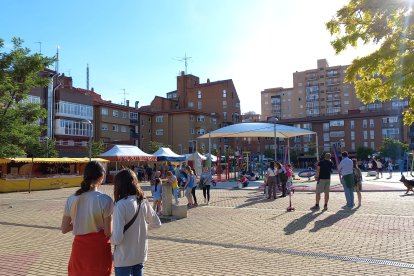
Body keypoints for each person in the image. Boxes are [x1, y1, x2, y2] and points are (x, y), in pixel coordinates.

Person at [61, 161, 113, 276]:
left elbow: (64, 228)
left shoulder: (72, 198)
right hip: (99, 249)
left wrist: (80, 222)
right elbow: (108, 232)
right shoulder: (105, 200)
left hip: (79, 249)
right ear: (101, 177)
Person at [111, 169, 161, 276]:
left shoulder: (120, 205)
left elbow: (117, 238)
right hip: (140, 255)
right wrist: (142, 228)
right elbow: (157, 223)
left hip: (124, 257)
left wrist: (108, 235)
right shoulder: (142, 201)